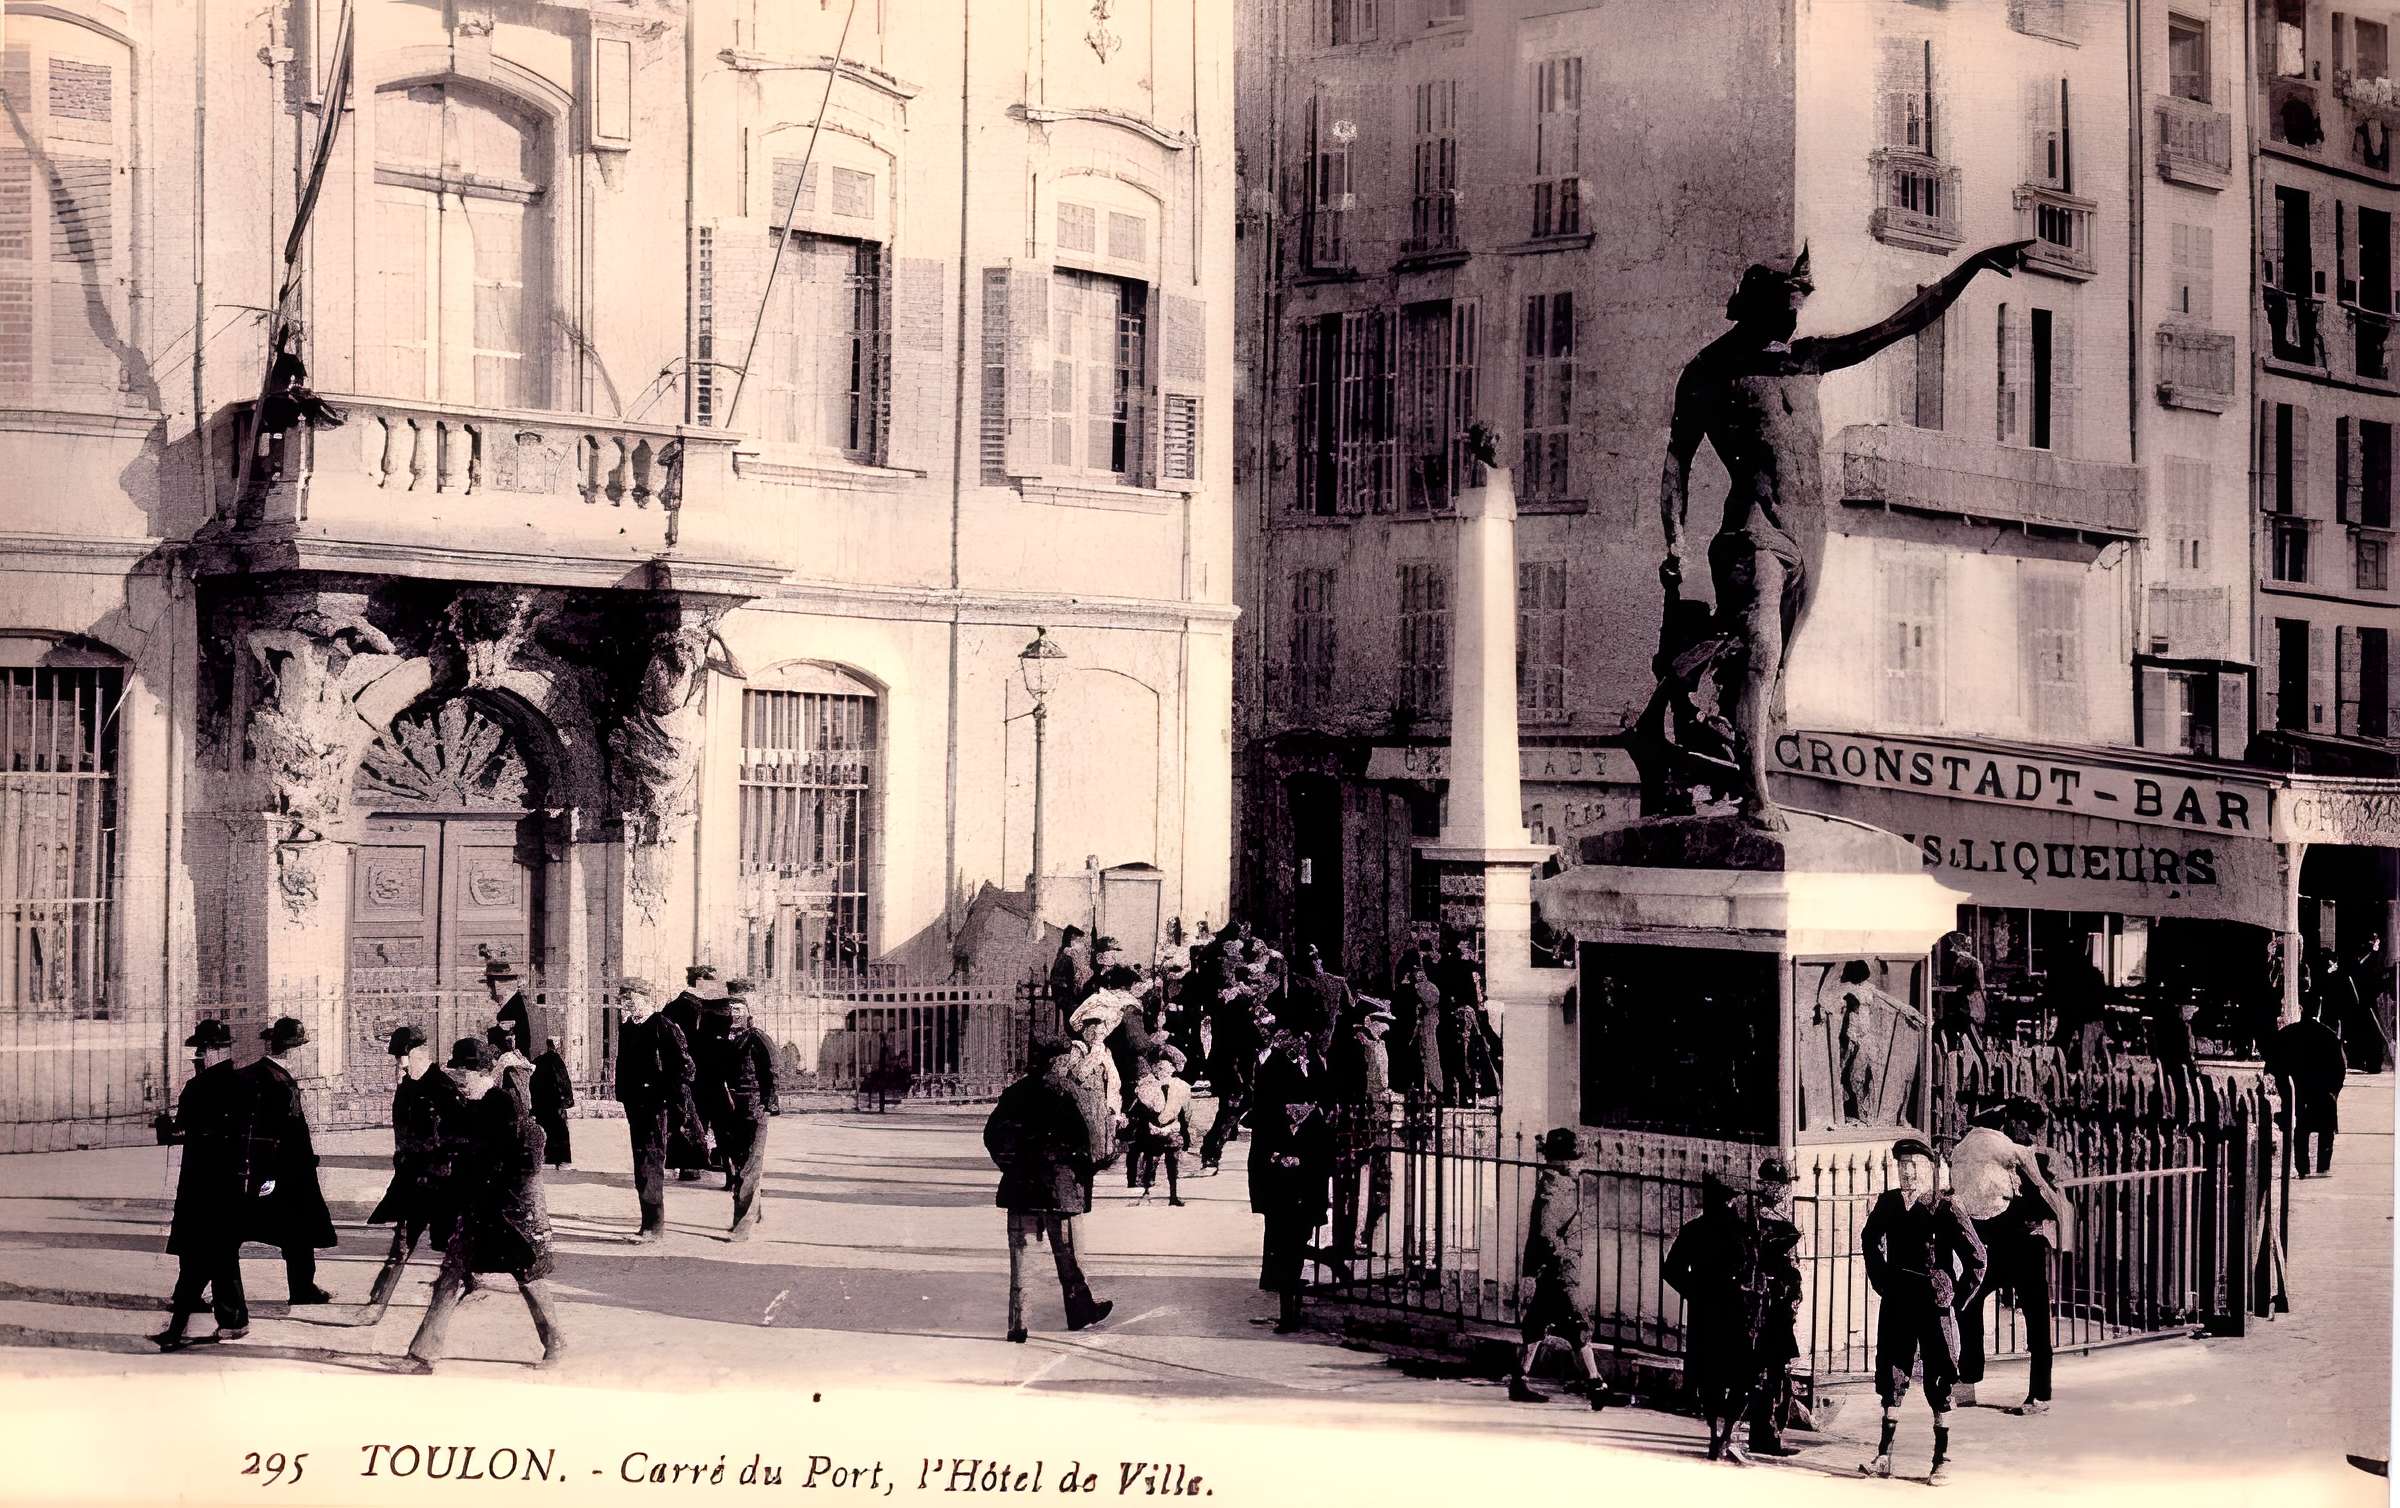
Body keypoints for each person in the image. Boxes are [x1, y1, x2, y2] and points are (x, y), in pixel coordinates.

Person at [1656, 239, 2029, 829]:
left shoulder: (1807, 358)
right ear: (1751, 306)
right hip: (1755, 527)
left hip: (1812, 534)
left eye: (1798, 305)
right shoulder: (1709, 371)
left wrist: (1973, 267)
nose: (1793, 315)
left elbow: (1899, 325)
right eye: (1784, 304)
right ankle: (1756, 797)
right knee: (1761, 648)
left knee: (1773, 672)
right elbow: (1678, 457)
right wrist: (1673, 536)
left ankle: (1726, 748)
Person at [399, 1039, 565, 1373]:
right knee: (450, 1275)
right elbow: (452, 1143)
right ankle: (423, 1354)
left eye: (464, 1073)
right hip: (475, 1209)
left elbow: (522, 1159)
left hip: (508, 1211)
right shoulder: (465, 1103)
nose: (458, 1079)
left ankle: (556, 1342)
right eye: (456, 1072)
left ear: (481, 1073)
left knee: (527, 1277)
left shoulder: (504, 1104)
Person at [1859, 1137, 1987, 1484]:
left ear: (1929, 1169)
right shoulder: (1887, 1204)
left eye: (1915, 1165)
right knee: (1891, 1369)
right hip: (1899, 1297)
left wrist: (1956, 1298)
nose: (1908, 1172)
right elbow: (1868, 1238)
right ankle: (1884, 1454)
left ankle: (1940, 1458)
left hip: (1933, 1302)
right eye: (1902, 1165)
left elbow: (1977, 1256)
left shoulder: (1944, 1206)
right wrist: (1881, 1278)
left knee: (1939, 1373)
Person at [984, 1035, 1113, 1341]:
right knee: (1069, 1258)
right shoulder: (1073, 1093)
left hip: (1020, 1188)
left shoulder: (1014, 1093)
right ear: (1058, 1061)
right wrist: (1081, 1170)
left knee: (1021, 1261)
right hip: (1062, 1189)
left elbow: (992, 1136)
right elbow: (1096, 1145)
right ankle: (1080, 1313)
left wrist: (1012, 1167)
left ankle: (1017, 1324)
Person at [1949, 1097, 2072, 1415]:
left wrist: (2030, 1210)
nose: (2029, 1134)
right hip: (1994, 1246)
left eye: (2033, 1129)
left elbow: (2051, 1198)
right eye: (2025, 1126)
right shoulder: (1996, 1150)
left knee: (2036, 1321)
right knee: (1967, 1302)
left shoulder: (2036, 1158)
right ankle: (1970, 1377)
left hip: (2027, 1247)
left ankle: (2039, 1395)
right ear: (2012, 1122)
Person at [152, 1020, 252, 1350]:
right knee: (222, 1257)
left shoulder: (198, 1089)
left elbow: (178, 1133)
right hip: (232, 1184)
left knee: (198, 1259)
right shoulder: (242, 1084)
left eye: (201, 1049)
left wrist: (162, 1124)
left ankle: (176, 1331)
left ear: (213, 1051)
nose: (197, 1056)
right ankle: (234, 1321)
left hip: (201, 1185)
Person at [364, 1025, 463, 1315]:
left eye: (402, 1056)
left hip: (441, 1182)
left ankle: (466, 1287)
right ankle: (377, 1303)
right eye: (396, 1058)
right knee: (402, 1243)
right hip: (413, 1181)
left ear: (419, 1053)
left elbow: (457, 1133)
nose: (399, 1063)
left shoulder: (443, 1087)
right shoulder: (406, 1087)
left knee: (451, 1247)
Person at [237, 1016, 337, 1304]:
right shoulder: (280, 1083)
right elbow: (278, 1133)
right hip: (288, 1172)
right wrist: (270, 1173)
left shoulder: (257, 1073)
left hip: (274, 1169)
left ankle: (303, 1288)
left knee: (236, 1229)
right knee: (299, 1232)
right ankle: (302, 1289)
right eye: (302, 1048)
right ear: (293, 1051)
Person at [1507, 1127, 1608, 1411]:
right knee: (1578, 1322)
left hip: (1554, 1270)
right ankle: (1595, 1383)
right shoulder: (1556, 1186)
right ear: (1565, 1161)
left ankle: (1519, 1380)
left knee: (1537, 1324)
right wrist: (1563, 1255)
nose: (1578, 1164)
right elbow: (1546, 1231)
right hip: (1561, 1272)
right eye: (1574, 1159)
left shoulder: (1556, 1182)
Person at [1665, 1172, 1763, 1462]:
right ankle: (1723, 1434)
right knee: (1736, 1374)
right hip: (1732, 1310)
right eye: (1729, 1199)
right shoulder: (1740, 1231)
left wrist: (1695, 1291)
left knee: (1714, 1377)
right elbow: (1753, 1270)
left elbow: (1671, 1270)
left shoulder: (1698, 1229)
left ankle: (1718, 1434)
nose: (1732, 1204)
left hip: (1713, 1310)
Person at [1250, 1022, 1334, 1335]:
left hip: (1305, 1180)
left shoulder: (1313, 1065)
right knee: (1282, 1240)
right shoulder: (1273, 1068)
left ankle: (1290, 1300)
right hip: (1280, 1181)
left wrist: (1304, 1157)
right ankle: (1286, 1306)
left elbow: (1324, 1129)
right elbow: (1263, 1122)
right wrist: (1277, 1156)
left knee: (1295, 1240)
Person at [696, 986, 781, 1239]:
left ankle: (741, 1226)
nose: (735, 1015)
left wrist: (768, 1106)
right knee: (742, 1164)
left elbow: (773, 1072)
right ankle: (754, 1212)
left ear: (748, 1013)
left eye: (739, 1010)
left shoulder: (758, 1039)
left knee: (750, 1168)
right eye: (731, 1011)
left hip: (755, 1109)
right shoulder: (725, 1042)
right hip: (733, 1110)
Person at [613, 977, 693, 1240]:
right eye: (623, 999)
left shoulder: (662, 1025)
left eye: (629, 998)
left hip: (657, 1105)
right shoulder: (628, 1028)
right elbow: (622, 1064)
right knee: (641, 1162)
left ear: (644, 998)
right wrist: (623, 1095)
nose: (625, 1004)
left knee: (651, 1160)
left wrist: (668, 1098)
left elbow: (685, 1068)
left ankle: (654, 1226)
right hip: (635, 1104)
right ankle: (647, 1222)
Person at [1744, 1158, 1806, 1457]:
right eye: (1772, 1184)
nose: (1777, 1189)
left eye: (1780, 1184)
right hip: (1768, 1303)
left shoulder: (1782, 1212)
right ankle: (1765, 1435)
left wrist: (1795, 1294)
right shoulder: (1761, 1218)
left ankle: (1768, 1432)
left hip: (1780, 1302)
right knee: (1769, 1372)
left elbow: (1792, 1262)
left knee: (1775, 1370)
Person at [1328, 996, 1394, 1260]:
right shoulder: (1359, 1045)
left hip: (1363, 1116)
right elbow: (1364, 1082)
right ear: (1368, 1021)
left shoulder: (1372, 1044)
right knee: (1352, 1182)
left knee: (1360, 1182)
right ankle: (1348, 1240)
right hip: (1357, 1118)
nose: (1386, 1027)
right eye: (1381, 1022)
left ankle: (1353, 1237)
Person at [2267, 999, 2348, 1177]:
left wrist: (2285, 1092)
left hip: (2298, 1091)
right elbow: (2340, 1069)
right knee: (2326, 1129)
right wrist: (2334, 1091)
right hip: (2323, 1091)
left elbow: (2274, 1066)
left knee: (2300, 1130)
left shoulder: (2287, 1034)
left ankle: (2302, 1168)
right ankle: (2323, 1167)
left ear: (2301, 1009)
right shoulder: (2329, 1035)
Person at [662, 966, 721, 1182]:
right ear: (699, 982)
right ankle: (698, 1163)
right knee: (701, 1116)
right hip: (703, 1072)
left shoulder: (670, 1007)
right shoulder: (704, 1010)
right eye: (711, 982)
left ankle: (685, 1165)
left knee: (681, 1116)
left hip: (676, 1074)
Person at [1063, 996, 1127, 1193]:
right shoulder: (1078, 1049)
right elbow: (1077, 1075)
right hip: (1084, 1108)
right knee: (1085, 1153)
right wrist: (1093, 1057)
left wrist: (1116, 1110)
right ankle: (1081, 1192)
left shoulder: (1105, 1051)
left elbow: (1114, 1082)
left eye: (1102, 1030)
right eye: (1094, 1030)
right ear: (1085, 1030)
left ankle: (1086, 1192)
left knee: (1101, 1155)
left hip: (1102, 1109)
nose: (1099, 1034)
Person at [1126, 1044, 1194, 1205]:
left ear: (1173, 1068)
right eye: (1158, 1066)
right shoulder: (1146, 1086)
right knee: (1150, 1159)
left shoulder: (1182, 1087)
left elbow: (1186, 1112)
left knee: (1173, 1161)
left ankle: (1173, 1194)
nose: (1162, 1070)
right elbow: (1139, 1110)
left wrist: (1185, 1131)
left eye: (1167, 1066)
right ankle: (1147, 1190)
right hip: (1150, 1129)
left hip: (1172, 1129)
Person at [1433, 934, 1488, 1105]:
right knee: (1464, 1058)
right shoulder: (1466, 968)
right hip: (1460, 1017)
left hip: (1449, 1018)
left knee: (1452, 1059)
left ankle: (1452, 1095)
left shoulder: (1446, 966)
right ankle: (1464, 1094)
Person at [1394, 950, 1446, 1102]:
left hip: (1426, 1026)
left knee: (1429, 1055)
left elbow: (1431, 1000)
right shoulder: (1412, 986)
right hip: (1415, 1026)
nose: (1419, 974)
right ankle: (1419, 1087)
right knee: (1418, 1056)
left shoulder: (1426, 987)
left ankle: (1433, 1088)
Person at [1935, 932, 1990, 1069]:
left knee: (1976, 1046)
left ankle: (1984, 1074)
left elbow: (1975, 987)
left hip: (1968, 1010)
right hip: (1964, 1009)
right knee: (1952, 1037)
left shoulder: (1969, 963)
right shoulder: (1969, 963)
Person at [531, 1037, 574, 1168]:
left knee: (545, 1127)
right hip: (555, 1101)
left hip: (541, 1102)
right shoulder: (556, 1060)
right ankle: (561, 1159)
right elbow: (563, 1080)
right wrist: (567, 1100)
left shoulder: (537, 1061)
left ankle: (547, 1157)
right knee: (559, 1129)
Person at [485, 959, 532, 1057]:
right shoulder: (513, 1002)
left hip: (513, 1059)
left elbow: (509, 1039)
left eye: (491, 983)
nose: (490, 989)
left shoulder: (511, 1006)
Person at [486, 1024, 535, 1113]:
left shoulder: (506, 1058)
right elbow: (530, 1068)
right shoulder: (517, 1056)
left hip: (511, 1099)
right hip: (525, 1098)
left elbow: (495, 1080)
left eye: (513, 1039)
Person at [1048, 925, 1095, 1016]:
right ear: (1072, 943)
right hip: (1070, 1006)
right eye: (1080, 942)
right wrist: (1077, 1008)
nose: (1083, 945)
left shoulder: (1074, 959)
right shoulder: (1065, 959)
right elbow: (1059, 989)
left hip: (1075, 1004)